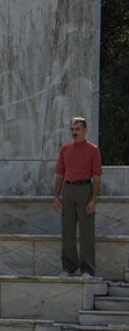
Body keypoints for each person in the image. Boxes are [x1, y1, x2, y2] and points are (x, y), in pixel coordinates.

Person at [53, 117, 102, 279]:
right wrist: (56, 196)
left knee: (86, 231)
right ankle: (68, 267)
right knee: (67, 230)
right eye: (72, 129)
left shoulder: (93, 149)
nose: (74, 133)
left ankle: (87, 270)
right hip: (68, 189)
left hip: (85, 189)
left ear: (85, 130)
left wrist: (93, 199)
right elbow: (60, 173)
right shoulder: (65, 149)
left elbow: (96, 176)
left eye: (78, 129)